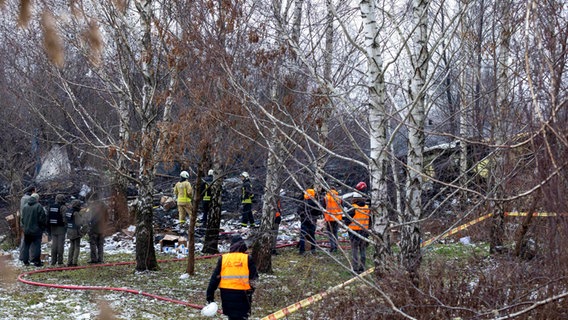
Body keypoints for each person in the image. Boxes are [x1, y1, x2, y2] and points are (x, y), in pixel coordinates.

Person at [206, 235, 258, 320]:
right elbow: (254, 279)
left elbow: (214, 279)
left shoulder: (223, 259)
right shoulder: (247, 259)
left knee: (231, 317)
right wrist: (250, 292)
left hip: (226, 294)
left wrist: (210, 295)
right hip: (243, 294)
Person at [20, 193, 46, 267]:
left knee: (26, 246)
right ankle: (36, 261)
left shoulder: (25, 206)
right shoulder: (38, 206)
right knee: (37, 246)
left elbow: (22, 219)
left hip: (27, 230)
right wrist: (42, 228)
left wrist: (25, 227)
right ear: (37, 199)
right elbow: (42, 219)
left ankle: (25, 261)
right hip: (36, 231)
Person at [346, 198, 370, 274]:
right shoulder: (367, 208)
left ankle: (355, 268)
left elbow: (347, 220)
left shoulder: (353, 208)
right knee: (363, 249)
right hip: (364, 231)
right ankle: (362, 268)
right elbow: (370, 220)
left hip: (354, 232)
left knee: (355, 250)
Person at [297, 188, 321, 255]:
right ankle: (313, 250)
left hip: (304, 221)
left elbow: (298, 211)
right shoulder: (315, 203)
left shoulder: (303, 202)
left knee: (302, 236)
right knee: (312, 235)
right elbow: (319, 212)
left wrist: (303, 215)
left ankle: (302, 251)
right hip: (312, 221)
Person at [87, 193, 109, 264]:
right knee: (100, 244)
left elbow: (88, 217)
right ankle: (101, 259)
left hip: (93, 228)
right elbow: (107, 218)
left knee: (93, 244)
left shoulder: (92, 207)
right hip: (102, 228)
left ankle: (94, 259)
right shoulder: (105, 206)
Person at [47, 194, 67, 266]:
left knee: (54, 245)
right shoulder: (63, 207)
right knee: (60, 245)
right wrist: (66, 227)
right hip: (61, 228)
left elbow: (48, 217)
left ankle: (53, 261)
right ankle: (60, 262)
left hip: (53, 228)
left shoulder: (51, 206)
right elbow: (65, 219)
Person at [323, 185, 343, 253]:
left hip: (329, 218)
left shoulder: (326, 198)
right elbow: (341, 208)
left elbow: (323, 207)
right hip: (337, 218)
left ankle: (332, 247)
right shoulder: (339, 198)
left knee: (330, 233)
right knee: (335, 232)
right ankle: (336, 246)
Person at [19, 185, 36, 262]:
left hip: (23, 222)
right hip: (30, 222)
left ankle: (22, 256)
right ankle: (32, 257)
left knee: (24, 240)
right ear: (32, 191)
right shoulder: (30, 199)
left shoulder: (23, 198)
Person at [66, 199, 83, 267]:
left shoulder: (68, 211)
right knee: (77, 247)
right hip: (75, 231)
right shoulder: (76, 213)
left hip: (69, 230)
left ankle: (69, 262)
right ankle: (74, 262)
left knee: (71, 246)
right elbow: (79, 222)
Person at [271, 189, 285, 255]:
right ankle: (272, 249)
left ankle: (271, 248)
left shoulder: (270, 198)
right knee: (274, 234)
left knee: (272, 234)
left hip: (273, 218)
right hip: (275, 218)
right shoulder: (275, 199)